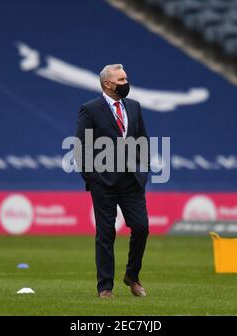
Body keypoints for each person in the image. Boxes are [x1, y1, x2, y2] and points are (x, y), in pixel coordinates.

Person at [75, 64, 150, 298]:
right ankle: (105, 287)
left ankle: (132, 275)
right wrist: (92, 177)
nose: (126, 82)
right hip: (104, 182)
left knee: (141, 227)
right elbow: (81, 147)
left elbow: (143, 140)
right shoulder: (90, 109)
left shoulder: (134, 107)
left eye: (126, 78)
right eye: (121, 79)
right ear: (107, 84)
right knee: (106, 233)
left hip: (131, 181)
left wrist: (143, 170)